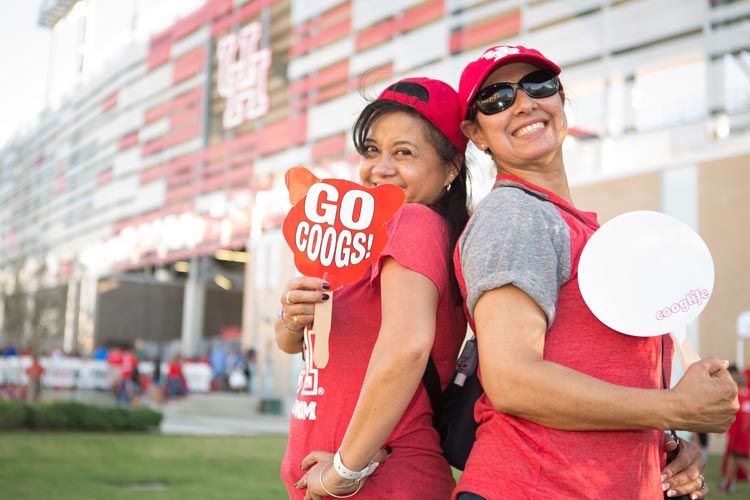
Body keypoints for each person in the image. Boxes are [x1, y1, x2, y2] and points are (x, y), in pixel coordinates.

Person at [452, 44, 739, 500]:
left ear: (561, 101)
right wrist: (675, 407)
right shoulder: (515, 214)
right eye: (497, 99)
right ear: (477, 133)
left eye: (538, 85)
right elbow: (513, 381)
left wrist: (666, 444)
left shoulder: (581, 227)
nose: (524, 103)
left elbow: (603, 373)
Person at [276, 76, 470, 499]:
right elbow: (298, 346)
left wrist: (344, 471)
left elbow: (407, 349)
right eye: (371, 150)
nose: (380, 168)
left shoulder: (413, 221)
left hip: (379, 482)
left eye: (404, 153)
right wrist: (292, 317)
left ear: (451, 167)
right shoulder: (368, 242)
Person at [720, 364, 750, 493]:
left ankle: (727, 485)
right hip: (744, 435)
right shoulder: (747, 396)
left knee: (741, 459)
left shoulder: (737, 398)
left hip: (739, 436)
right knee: (732, 459)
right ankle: (727, 486)